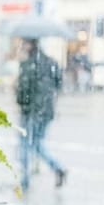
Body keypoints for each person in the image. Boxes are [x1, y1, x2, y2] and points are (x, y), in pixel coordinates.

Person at [14, 38, 67, 192]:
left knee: (25, 144)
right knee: (36, 143)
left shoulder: (27, 65)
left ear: (30, 45)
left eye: (24, 43)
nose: (23, 46)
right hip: (46, 111)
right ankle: (57, 167)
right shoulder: (51, 62)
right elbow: (59, 83)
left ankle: (24, 181)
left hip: (30, 111)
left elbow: (22, 92)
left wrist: (18, 93)